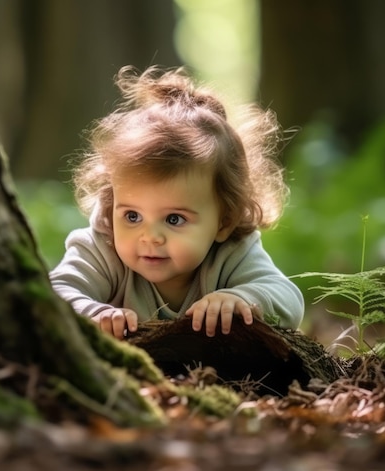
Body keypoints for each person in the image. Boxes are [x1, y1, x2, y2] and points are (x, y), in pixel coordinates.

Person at [50, 65, 304, 340]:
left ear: (224, 220)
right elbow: (56, 290)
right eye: (132, 216)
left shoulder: (231, 253)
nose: (150, 237)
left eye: (174, 219)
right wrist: (92, 313)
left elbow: (289, 301)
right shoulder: (104, 248)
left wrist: (240, 297)